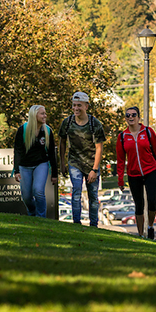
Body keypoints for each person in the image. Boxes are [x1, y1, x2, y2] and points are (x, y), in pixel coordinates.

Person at [116, 106, 156, 240]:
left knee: (152, 201)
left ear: (139, 117)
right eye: (128, 115)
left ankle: (150, 226)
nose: (130, 117)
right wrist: (120, 179)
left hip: (150, 170)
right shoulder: (122, 136)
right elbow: (120, 160)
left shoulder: (148, 132)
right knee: (139, 205)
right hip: (134, 174)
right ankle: (140, 235)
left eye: (133, 115)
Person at [58, 92, 107, 227]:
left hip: (92, 163)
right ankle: (76, 223)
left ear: (86, 106)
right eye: (74, 105)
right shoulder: (67, 123)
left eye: (79, 105)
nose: (76, 108)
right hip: (74, 162)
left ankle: (93, 224)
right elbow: (61, 142)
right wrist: (62, 162)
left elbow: (99, 148)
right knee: (76, 191)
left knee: (93, 195)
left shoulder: (94, 124)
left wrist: (94, 169)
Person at [13, 105, 58, 218]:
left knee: (38, 191)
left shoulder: (47, 131)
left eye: (45, 113)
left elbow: (52, 153)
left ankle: (41, 217)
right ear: (35, 115)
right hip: (24, 166)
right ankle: (32, 213)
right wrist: (16, 170)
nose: (45, 116)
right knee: (27, 197)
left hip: (41, 164)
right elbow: (17, 151)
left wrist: (54, 174)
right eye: (42, 114)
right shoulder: (23, 130)